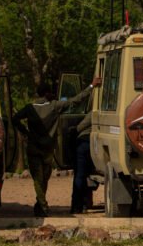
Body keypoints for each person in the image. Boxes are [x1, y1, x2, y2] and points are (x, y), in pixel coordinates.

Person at [12, 82, 92, 217]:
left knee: (39, 179)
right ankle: (43, 207)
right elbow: (76, 100)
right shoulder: (54, 106)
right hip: (48, 150)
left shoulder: (30, 108)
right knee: (43, 179)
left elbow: (15, 119)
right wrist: (91, 87)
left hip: (33, 148)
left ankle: (39, 205)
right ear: (47, 93)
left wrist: (26, 132)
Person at [70, 111, 94, 214]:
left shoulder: (93, 113)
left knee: (80, 176)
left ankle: (77, 206)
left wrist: (71, 131)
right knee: (86, 174)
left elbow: (79, 128)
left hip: (84, 144)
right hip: (97, 146)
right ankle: (85, 203)